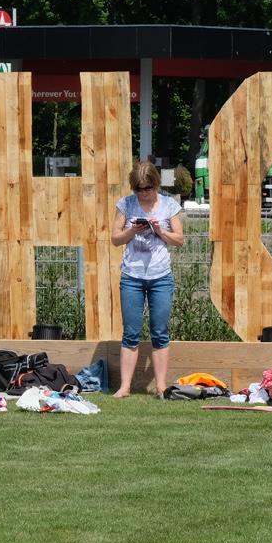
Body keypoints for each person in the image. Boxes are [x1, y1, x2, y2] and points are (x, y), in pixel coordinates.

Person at [109, 160, 185, 397]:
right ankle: (125, 386)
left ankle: (161, 386)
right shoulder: (126, 204)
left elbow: (179, 240)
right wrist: (132, 230)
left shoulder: (169, 205)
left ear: (156, 184)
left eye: (148, 188)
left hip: (160, 277)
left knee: (159, 331)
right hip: (132, 276)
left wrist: (160, 231)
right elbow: (115, 239)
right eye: (139, 189)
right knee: (130, 332)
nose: (143, 193)